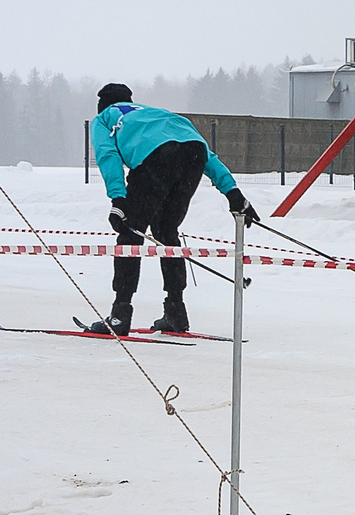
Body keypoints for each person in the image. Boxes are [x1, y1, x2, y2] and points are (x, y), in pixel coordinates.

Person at [88, 83, 258, 336]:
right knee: (167, 232)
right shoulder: (159, 113)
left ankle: (119, 316)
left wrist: (118, 200)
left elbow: (107, 155)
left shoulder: (104, 118)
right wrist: (233, 193)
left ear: (102, 104)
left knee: (130, 235)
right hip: (193, 154)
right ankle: (176, 312)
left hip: (155, 158)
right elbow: (209, 157)